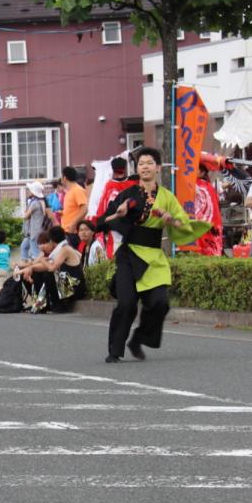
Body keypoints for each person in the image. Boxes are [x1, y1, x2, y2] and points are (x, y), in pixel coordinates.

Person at [97, 147, 211, 363]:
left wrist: (171, 220)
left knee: (160, 303)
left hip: (154, 257)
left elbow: (183, 224)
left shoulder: (167, 197)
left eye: (149, 163)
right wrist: (118, 212)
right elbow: (103, 220)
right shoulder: (126, 195)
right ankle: (114, 350)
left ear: (157, 168)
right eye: (141, 163)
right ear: (137, 168)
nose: (145, 167)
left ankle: (138, 338)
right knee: (126, 304)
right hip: (129, 255)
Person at [16, 226, 86, 313]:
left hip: (76, 287)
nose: (41, 246)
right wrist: (29, 269)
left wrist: (41, 260)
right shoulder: (60, 249)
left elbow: (51, 268)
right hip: (68, 284)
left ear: (51, 240)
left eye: (45, 242)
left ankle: (59, 305)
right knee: (36, 274)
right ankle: (42, 304)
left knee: (49, 275)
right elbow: (44, 266)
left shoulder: (65, 249)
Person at [89, 157, 137, 259]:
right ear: (125, 169)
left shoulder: (109, 185)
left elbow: (102, 207)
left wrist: (100, 221)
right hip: (132, 225)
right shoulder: (133, 183)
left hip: (115, 225)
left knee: (115, 254)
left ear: (112, 169)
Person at [193, 161, 225, 257]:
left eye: (196, 169)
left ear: (202, 172)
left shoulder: (201, 185)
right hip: (210, 223)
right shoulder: (208, 186)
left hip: (204, 223)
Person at [59, 166, 88, 249]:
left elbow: (84, 208)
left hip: (73, 231)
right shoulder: (70, 191)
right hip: (67, 230)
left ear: (64, 178)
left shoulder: (77, 190)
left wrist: (73, 224)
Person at [21, 181, 50, 261]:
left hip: (34, 231)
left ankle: (36, 266)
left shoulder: (34, 203)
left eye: (30, 190)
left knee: (35, 252)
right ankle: (26, 263)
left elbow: (26, 216)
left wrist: (25, 213)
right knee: (24, 246)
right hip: (37, 230)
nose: (29, 191)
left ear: (33, 192)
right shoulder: (42, 202)